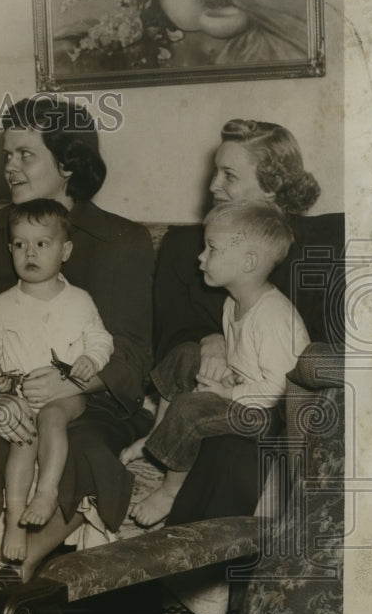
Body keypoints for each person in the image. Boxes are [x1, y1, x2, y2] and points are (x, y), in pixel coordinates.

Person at [0, 95, 154, 614]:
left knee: (85, 448)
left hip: (91, 400)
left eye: (24, 155)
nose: (8, 166)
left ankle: (22, 563)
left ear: (68, 163)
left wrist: (77, 386)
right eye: (6, 154)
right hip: (4, 392)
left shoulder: (123, 240)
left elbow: (131, 349)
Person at [150, 118, 338, 614]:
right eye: (215, 173)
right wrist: (207, 339)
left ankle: (206, 595)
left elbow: (306, 359)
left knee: (233, 451)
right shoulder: (195, 246)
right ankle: (189, 584)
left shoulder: (323, 245)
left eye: (229, 176)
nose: (213, 186)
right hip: (231, 379)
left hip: (285, 401)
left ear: (273, 183)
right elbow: (175, 332)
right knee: (206, 408)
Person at [122, 202, 310, 527]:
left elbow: (281, 387)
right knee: (186, 355)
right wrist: (226, 376)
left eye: (212, 249)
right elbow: (243, 360)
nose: (201, 257)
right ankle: (157, 439)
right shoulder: (232, 303)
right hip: (248, 389)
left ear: (248, 262)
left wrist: (225, 391)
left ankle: (170, 490)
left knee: (190, 408)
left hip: (275, 418)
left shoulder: (272, 317)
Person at [0, 198, 113, 562]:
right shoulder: (3, 304)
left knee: (52, 417)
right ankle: (15, 522)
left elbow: (102, 340)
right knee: (23, 439)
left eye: (42, 243)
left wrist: (89, 360)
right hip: (23, 395)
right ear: (10, 250)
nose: (29, 252)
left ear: (65, 250)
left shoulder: (80, 300)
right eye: (20, 244)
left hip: (67, 395)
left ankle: (47, 491)